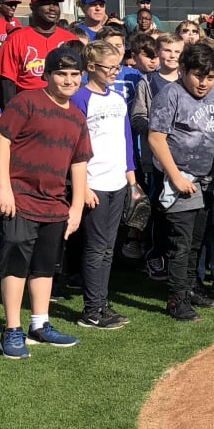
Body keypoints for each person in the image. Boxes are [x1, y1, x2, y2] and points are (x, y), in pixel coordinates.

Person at [0, 46, 91, 358]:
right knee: (16, 264)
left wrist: (75, 208)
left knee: (45, 268)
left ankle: (40, 323)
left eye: (75, 74)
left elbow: (79, 163)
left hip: (55, 204)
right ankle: (12, 329)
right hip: (19, 198)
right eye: (62, 73)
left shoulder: (76, 116)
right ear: (47, 75)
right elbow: (0, 140)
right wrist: (4, 189)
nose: (69, 80)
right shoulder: (27, 101)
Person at [148, 44, 214, 322]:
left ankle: (190, 288)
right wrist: (175, 177)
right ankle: (176, 299)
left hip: (207, 181)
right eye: (198, 76)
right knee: (180, 244)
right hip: (179, 179)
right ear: (183, 70)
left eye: (209, 77)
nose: (204, 83)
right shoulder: (170, 94)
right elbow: (156, 138)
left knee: (197, 241)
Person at [69, 41, 138, 330]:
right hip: (93, 183)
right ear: (91, 67)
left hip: (117, 182)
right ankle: (92, 310)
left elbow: (126, 140)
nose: (114, 72)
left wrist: (131, 179)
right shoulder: (80, 99)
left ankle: (101, 301)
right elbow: (73, 147)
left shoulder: (117, 98)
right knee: (97, 247)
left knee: (109, 248)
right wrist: (81, 187)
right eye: (110, 67)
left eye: (117, 66)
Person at [0, 0, 79, 102]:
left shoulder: (71, 39)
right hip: (29, 107)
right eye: (46, 3)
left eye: (55, 3)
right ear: (32, 7)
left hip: (65, 106)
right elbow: (7, 83)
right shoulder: (15, 38)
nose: (52, 8)